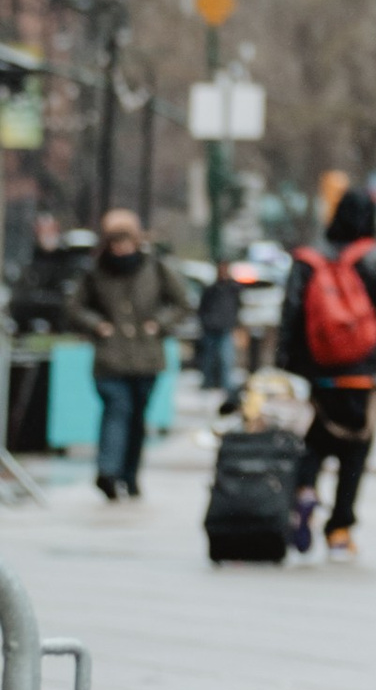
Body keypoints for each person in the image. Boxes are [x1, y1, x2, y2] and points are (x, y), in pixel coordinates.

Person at [279, 188, 376, 558]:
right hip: (363, 375)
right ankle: (339, 529)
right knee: (355, 451)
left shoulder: (307, 259)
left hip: (314, 373)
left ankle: (304, 491)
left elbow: (290, 317)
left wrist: (287, 367)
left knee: (313, 442)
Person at [66, 210, 190, 502]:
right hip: (111, 357)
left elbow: (181, 303)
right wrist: (97, 325)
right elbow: (74, 307)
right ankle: (108, 471)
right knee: (116, 411)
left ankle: (130, 476)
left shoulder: (156, 267)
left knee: (137, 419)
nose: (120, 248)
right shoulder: (95, 272)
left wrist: (158, 324)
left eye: (125, 241)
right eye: (115, 242)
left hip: (146, 357)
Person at [195, 256, 246, 409]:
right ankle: (208, 384)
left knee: (226, 358)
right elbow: (202, 308)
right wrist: (206, 322)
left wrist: (236, 324)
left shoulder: (233, 289)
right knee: (209, 358)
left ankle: (225, 386)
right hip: (211, 328)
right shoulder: (211, 289)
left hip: (225, 328)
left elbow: (238, 307)